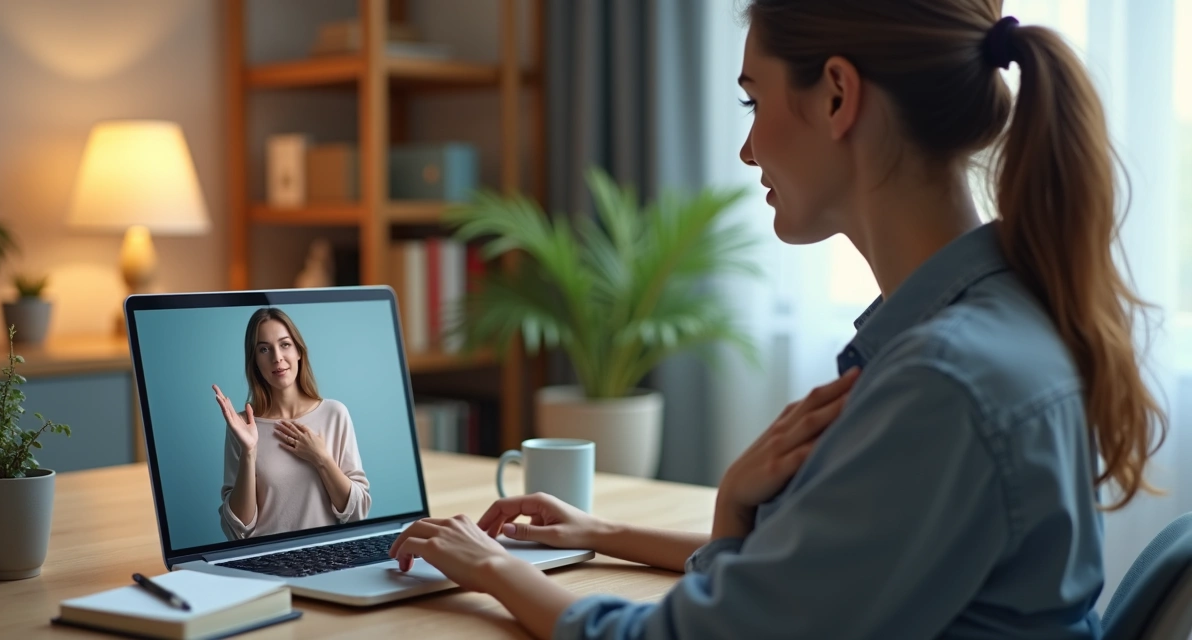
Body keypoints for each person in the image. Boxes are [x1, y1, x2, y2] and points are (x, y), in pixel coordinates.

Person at [386, 1, 1169, 638]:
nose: (748, 147)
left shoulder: (944, 383)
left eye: (754, 101)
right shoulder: (1001, 319)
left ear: (837, 94)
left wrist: (492, 568)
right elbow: (814, 585)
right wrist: (620, 529)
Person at [216, 307, 371, 540]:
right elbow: (237, 530)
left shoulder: (335, 414)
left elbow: (359, 512)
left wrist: (322, 458)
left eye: (285, 344)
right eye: (264, 349)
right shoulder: (242, 425)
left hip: (327, 557)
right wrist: (249, 451)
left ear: (299, 351)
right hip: (264, 561)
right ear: (255, 361)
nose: (277, 357)